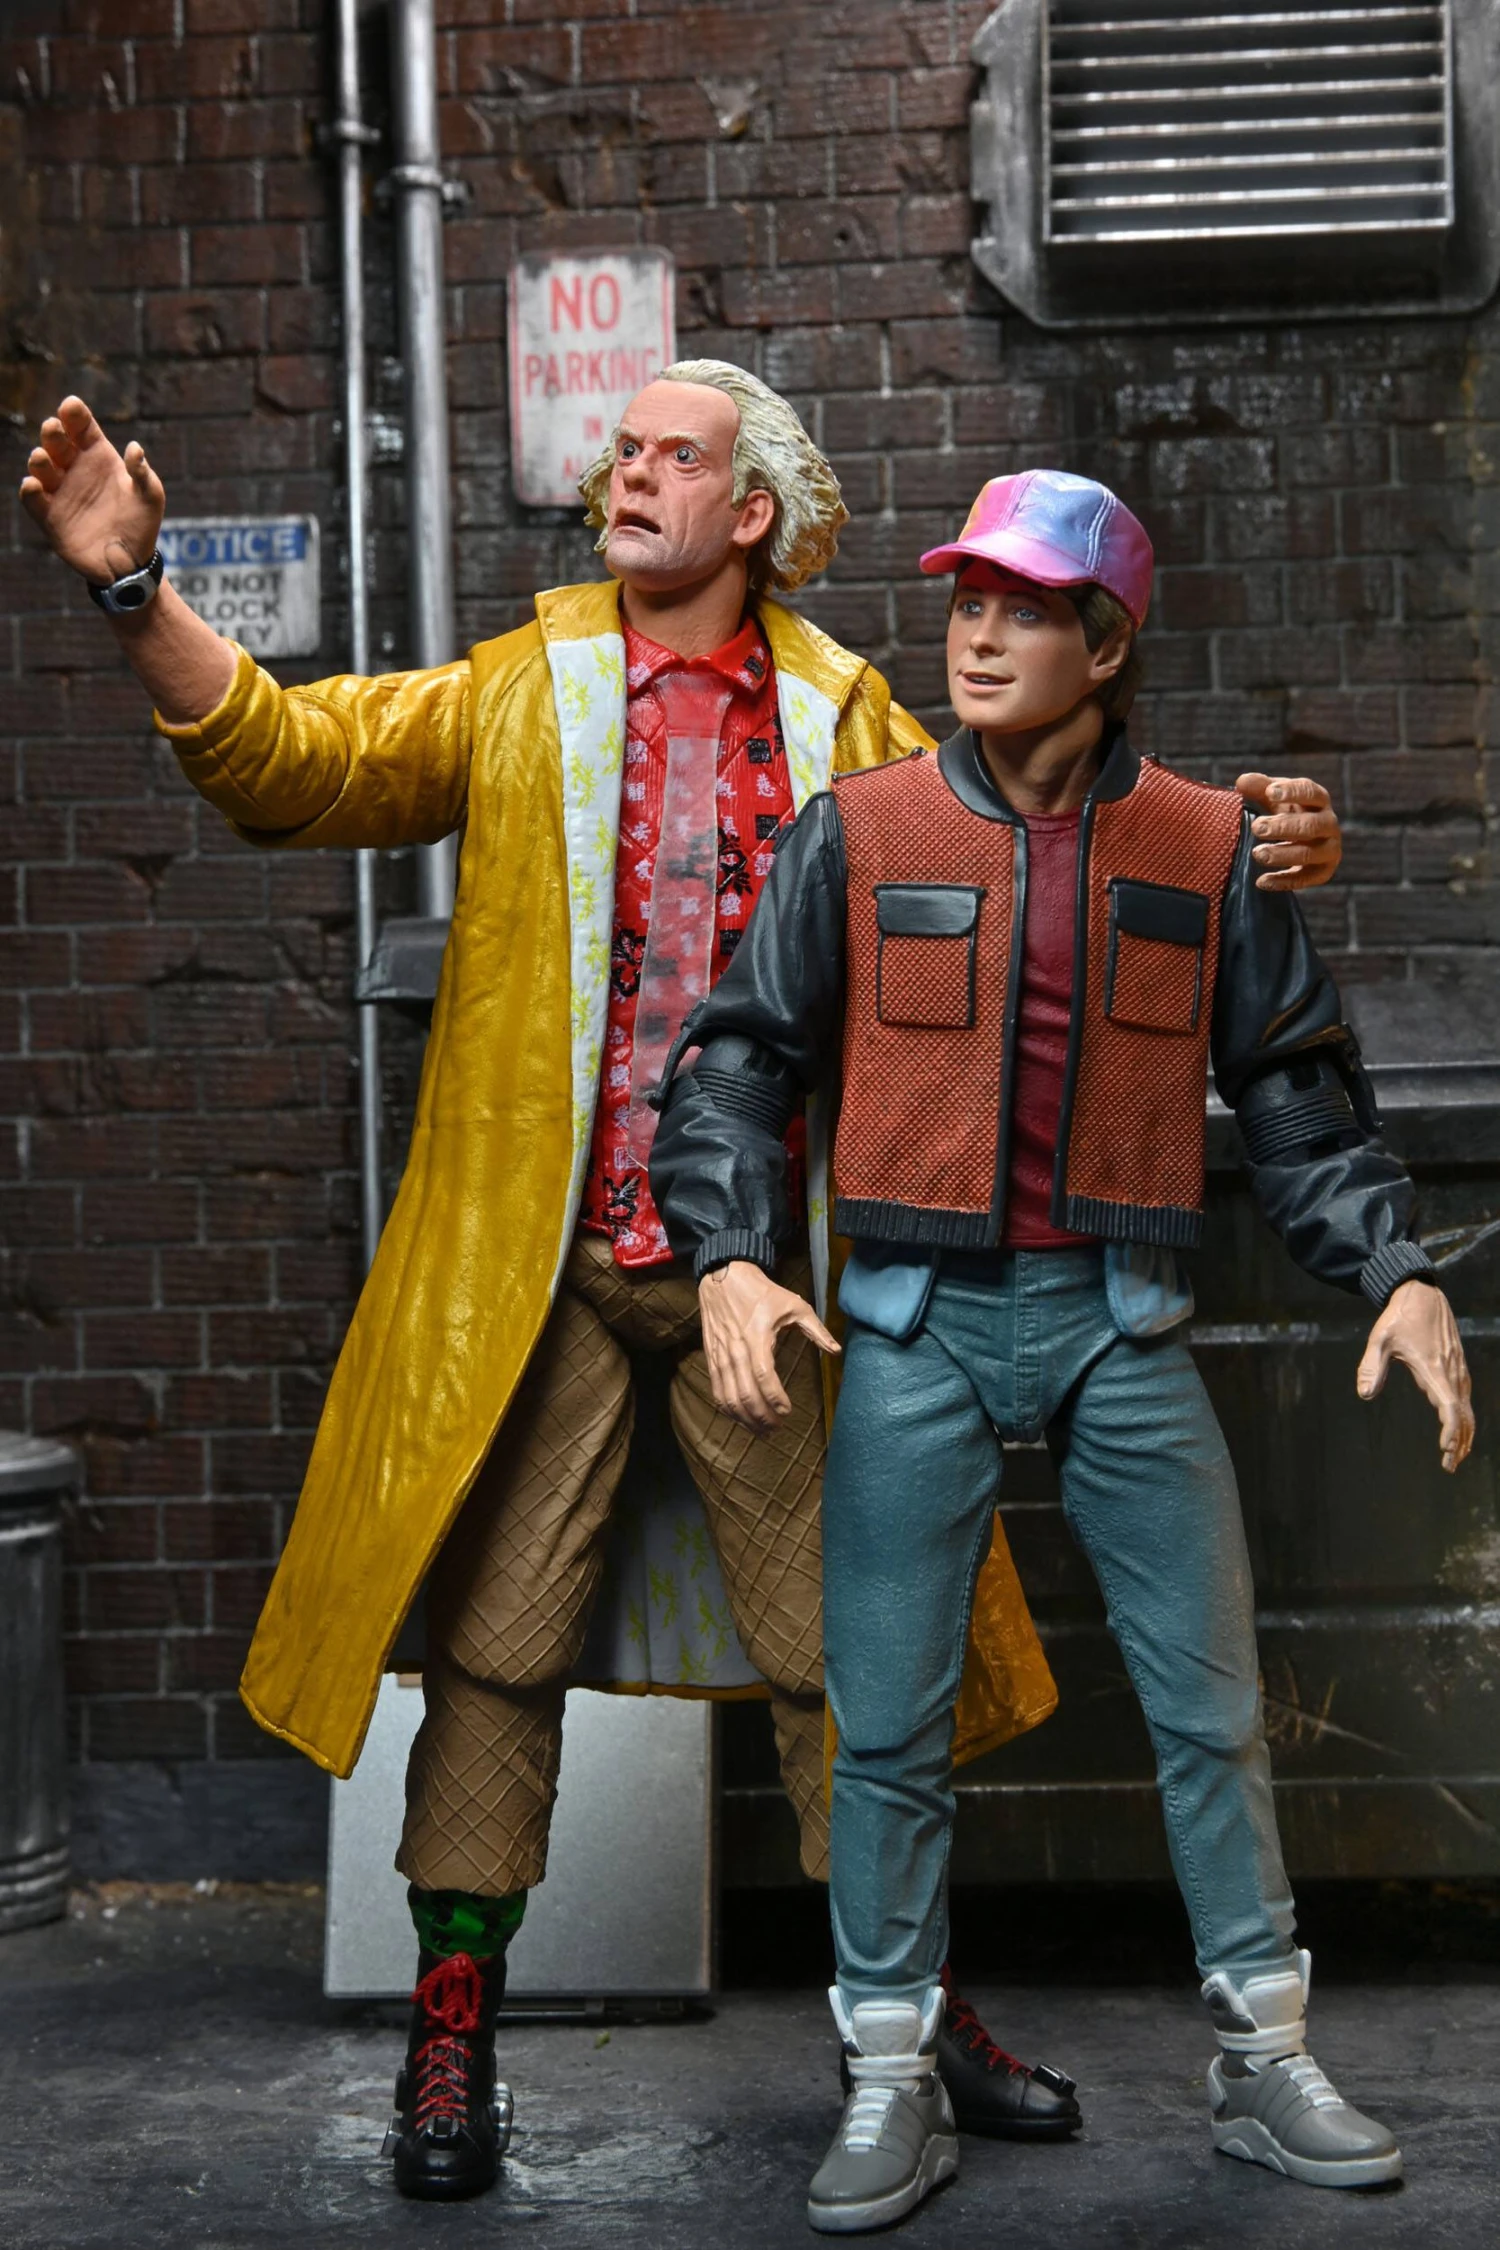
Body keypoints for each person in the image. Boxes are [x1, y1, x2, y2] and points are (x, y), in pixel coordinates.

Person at [21, 393, 1340, 2203]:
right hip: (546, 1270)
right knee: (495, 1650)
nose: (625, 473)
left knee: (853, 1661)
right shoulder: (522, 689)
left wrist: (1259, 838)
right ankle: (454, 2022)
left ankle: (905, 2022)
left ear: (758, 511)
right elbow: (294, 760)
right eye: (619, 452)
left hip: (775, 1280)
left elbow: (1049, 817)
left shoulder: (851, 717)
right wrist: (134, 593)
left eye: (671, 454)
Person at [651, 467, 1474, 2233]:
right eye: (968, 600)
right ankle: (888, 2070)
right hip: (915, 1319)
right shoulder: (859, 831)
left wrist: (1394, 1271)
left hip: (1120, 1318)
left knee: (1212, 1706)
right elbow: (738, 1059)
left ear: (1106, 645)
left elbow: (1294, 1088)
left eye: (1024, 609)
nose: (978, 633)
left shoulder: (1205, 843)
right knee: (886, 1724)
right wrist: (726, 1253)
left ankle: (1263, 2055)